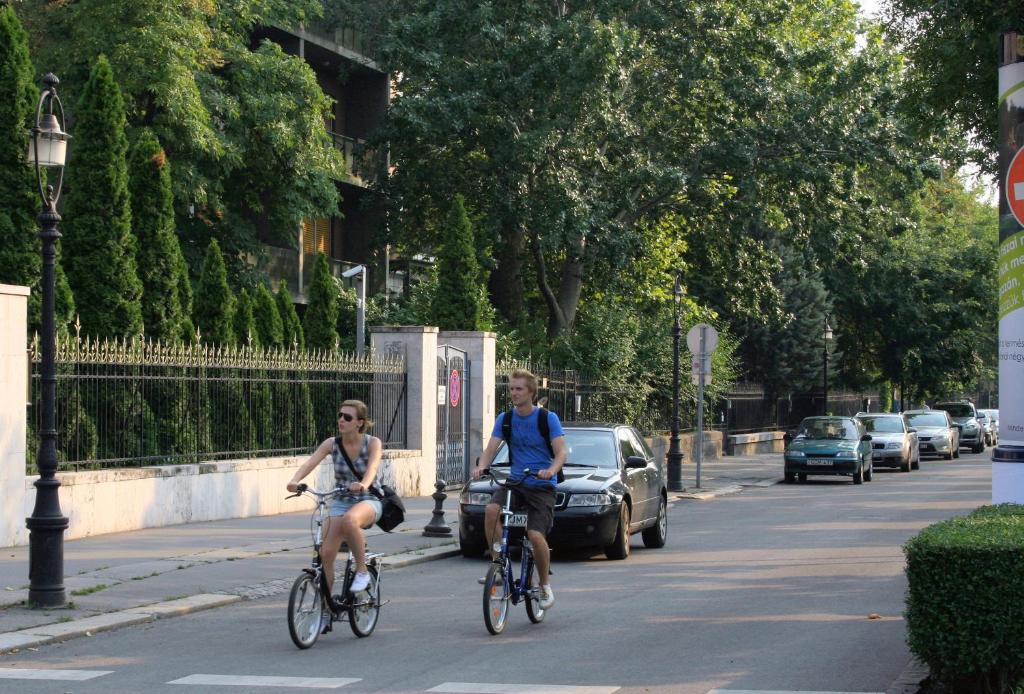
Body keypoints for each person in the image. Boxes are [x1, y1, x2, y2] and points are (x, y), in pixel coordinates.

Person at [472, 369, 567, 609]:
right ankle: (497, 565)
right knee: (491, 510)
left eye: (519, 389)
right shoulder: (505, 418)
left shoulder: (547, 418)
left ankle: (544, 585)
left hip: (542, 485)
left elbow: (561, 453)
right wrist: (482, 466)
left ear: (531, 392)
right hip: (516, 482)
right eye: (512, 388)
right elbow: (491, 449)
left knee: (535, 535)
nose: (513, 392)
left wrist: (551, 470)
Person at [287, 399, 383, 627]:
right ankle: (326, 610)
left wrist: (363, 484)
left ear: (359, 423)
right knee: (326, 554)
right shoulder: (332, 444)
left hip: (369, 499)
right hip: (341, 500)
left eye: (347, 417)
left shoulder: (372, 443)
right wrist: (294, 480)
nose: (341, 420)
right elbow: (310, 462)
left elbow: (372, 469)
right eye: (340, 415)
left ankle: (361, 571)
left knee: (351, 521)